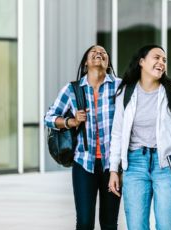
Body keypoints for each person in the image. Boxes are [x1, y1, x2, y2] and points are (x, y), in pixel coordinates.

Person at [108, 44, 171, 230]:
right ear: (141, 62)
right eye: (156, 57)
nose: (161, 62)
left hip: (167, 164)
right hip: (135, 164)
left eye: (164, 60)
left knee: (166, 224)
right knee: (136, 225)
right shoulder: (126, 92)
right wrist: (114, 169)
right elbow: (117, 133)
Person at [44, 45, 122, 230]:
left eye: (103, 53)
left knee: (109, 223)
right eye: (94, 53)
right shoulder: (72, 89)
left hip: (112, 165)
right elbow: (49, 117)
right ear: (86, 63)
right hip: (83, 163)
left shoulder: (120, 86)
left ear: (108, 63)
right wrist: (71, 121)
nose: (99, 54)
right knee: (85, 222)